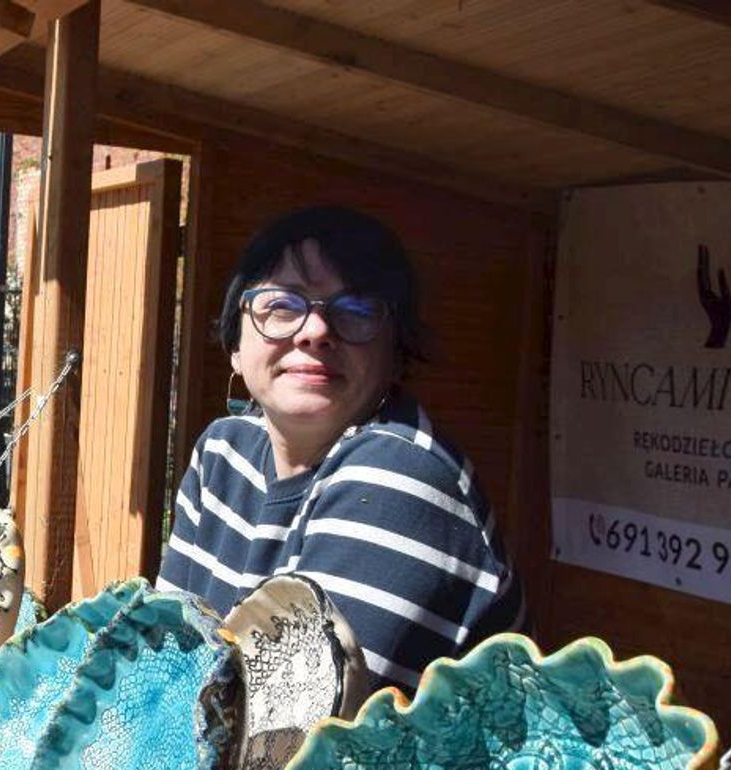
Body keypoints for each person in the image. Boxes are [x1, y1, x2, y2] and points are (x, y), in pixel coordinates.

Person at [158, 206, 525, 693]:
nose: (315, 331)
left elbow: (289, 720)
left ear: (397, 356)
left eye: (356, 310)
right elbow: (164, 662)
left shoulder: (402, 475)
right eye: (281, 305)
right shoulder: (222, 454)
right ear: (235, 345)